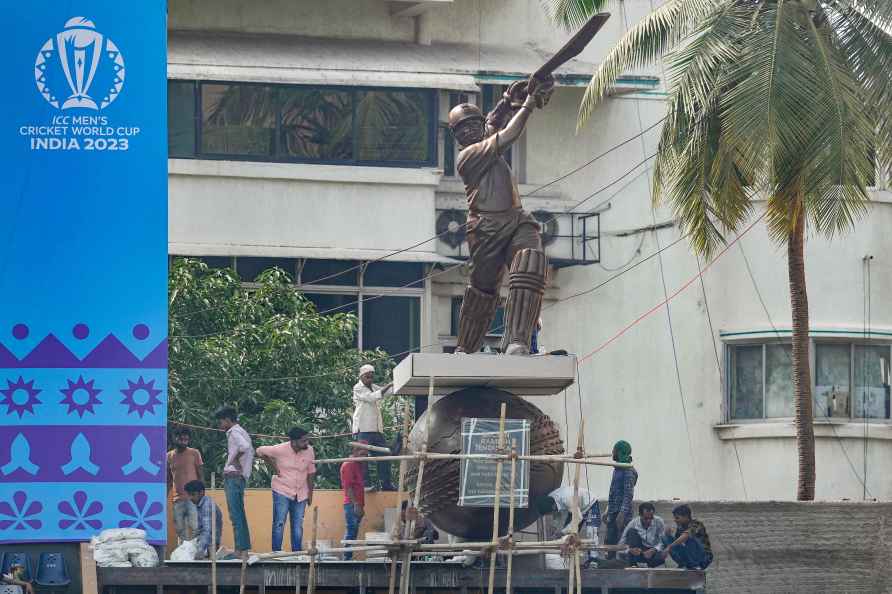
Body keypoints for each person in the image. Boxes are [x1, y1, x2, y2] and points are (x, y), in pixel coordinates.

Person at [448, 74, 554, 356]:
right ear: (456, 137)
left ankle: (517, 340)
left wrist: (509, 99)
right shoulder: (468, 156)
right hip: (485, 228)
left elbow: (494, 121)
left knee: (530, 263)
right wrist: (528, 103)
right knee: (483, 289)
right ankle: (466, 346)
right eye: (462, 129)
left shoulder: (484, 135)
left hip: (517, 218)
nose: (470, 131)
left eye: (473, 124)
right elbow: (507, 134)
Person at [256, 426, 316, 552]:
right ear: (293, 441)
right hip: (282, 490)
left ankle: (297, 554)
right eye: (303, 441)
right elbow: (259, 451)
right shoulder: (280, 449)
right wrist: (274, 467)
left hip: (301, 493)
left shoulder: (309, 450)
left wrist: (310, 493)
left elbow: (311, 472)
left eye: (307, 440)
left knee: (297, 526)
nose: (306, 443)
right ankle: (276, 554)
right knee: (279, 523)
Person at [215, 406, 254, 557]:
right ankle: (242, 548)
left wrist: (234, 462)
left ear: (227, 419)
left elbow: (244, 447)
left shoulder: (234, 432)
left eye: (221, 421)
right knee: (238, 514)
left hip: (234, 476)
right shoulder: (241, 430)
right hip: (238, 476)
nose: (220, 425)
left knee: (235, 515)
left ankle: (240, 550)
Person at [352, 364, 395, 491]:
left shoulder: (373, 387)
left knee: (384, 455)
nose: (370, 379)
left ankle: (386, 484)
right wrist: (389, 384)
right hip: (363, 429)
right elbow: (372, 397)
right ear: (361, 376)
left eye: (371, 376)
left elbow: (386, 392)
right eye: (367, 376)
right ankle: (365, 485)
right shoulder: (358, 388)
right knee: (362, 457)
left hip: (376, 429)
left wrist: (396, 383)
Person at [533, 485, 601, 564]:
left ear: (553, 507)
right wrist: (555, 528)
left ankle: (593, 559)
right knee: (568, 536)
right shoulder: (550, 499)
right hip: (575, 507)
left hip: (589, 503)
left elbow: (578, 518)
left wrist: (562, 531)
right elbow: (556, 514)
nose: (552, 514)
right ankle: (569, 561)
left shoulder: (567, 499)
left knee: (591, 532)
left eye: (550, 513)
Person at [167, 426, 204, 543]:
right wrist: (165, 495)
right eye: (181, 439)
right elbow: (168, 479)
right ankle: (183, 554)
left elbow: (201, 474)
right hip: (177, 499)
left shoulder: (194, 453)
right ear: (175, 438)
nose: (184, 442)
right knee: (179, 529)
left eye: (186, 440)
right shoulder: (168, 456)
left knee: (195, 527)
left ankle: (196, 554)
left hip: (194, 498)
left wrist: (202, 494)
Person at [605, 440, 637, 558]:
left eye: (614, 450)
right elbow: (613, 492)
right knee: (609, 541)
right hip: (613, 511)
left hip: (622, 513)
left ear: (620, 452)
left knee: (622, 541)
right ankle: (609, 565)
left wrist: (622, 514)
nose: (612, 452)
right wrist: (607, 510)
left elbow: (628, 494)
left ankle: (621, 567)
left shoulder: (628, 470)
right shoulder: (617, 468)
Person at [661, 504, 713, 570]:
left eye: (677, 518)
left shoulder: (696, 523)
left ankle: (695, 565)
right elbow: (677, 546)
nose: (675, 520)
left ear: (686, 516)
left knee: (688, 538)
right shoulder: (680, 527)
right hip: (690, 556)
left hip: (704, 558)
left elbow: (686, 536)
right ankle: (684, 564)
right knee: (665, 537)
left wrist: (669, 547)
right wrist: (668, 534)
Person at [341, 442, 368, 560]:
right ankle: (346, 558)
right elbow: (348, 487)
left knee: (353, 531)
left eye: (366, 454)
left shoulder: (358, 464)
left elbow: (356, 485)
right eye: (363, 453)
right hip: (352, 504)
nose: (365, 456)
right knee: (351, 531)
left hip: (357, 504)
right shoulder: (349, 465)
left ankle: (348, 556)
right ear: (355, 452)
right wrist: (356, 505)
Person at [184, 480, 223, 560]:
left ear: (201, 492)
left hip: (211, 543)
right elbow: (200, 529)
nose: (190, 498)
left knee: (208, 565)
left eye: (193, 495)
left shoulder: (206, 505)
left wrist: (200, 549)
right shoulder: (199, 504)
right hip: (206, 540)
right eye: (189, 495)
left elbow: (207, 530)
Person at [619, 502, 666, 567]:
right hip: (639, 551)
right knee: (631, 532)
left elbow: (663, 541)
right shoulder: (633, 523)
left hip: (653, 550)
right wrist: (630, 550)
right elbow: (621, 543)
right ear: (640, 515)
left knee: (660, 557)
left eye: (651, 518)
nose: (649, 521)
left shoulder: (659, 521)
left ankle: (646, 565)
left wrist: (654, 549)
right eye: (646, 518)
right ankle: (634, 564)